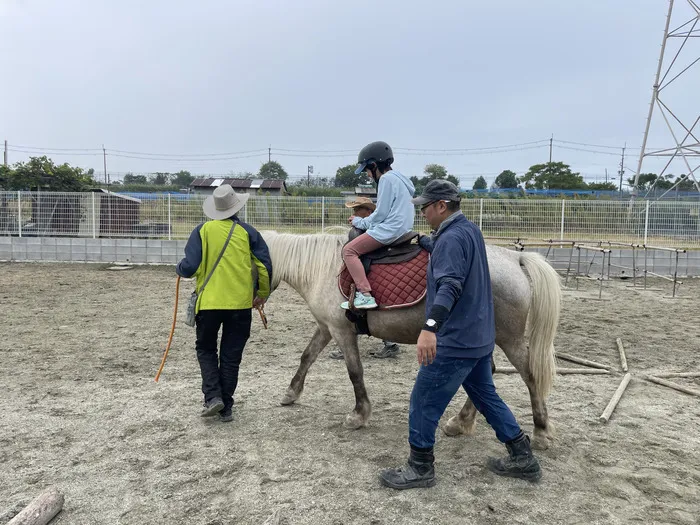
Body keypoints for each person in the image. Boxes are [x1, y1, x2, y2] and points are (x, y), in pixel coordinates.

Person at [379, 179, 541, 489]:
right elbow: (456, 257)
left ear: (441, 206)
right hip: (480, 337)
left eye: (425, 207)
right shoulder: (468, 230)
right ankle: (523, 456)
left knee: (423, 400)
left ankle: (420, 468)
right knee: (486, 396)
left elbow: (450, 286)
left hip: (456, 339)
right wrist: (427, 242)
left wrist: (429, 329)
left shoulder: (452, 239)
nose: (422, 213)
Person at [176, 184, 272, 423]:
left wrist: (178, 267)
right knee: (231, 356)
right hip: (240, 305)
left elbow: (190, 268)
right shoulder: (248, 232)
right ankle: (226, 406)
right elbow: (264, 266)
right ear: (237, 206)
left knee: (206, 349)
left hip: (208, 304)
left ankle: (212, 397)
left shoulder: (202, 230)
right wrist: (261, 293)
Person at [340, 141, 415, 310]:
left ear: (374, 165)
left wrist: (360, 221)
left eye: (367, 169)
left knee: (349, 251)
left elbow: (381, 214)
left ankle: (365, 294)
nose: (367, 174)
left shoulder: (386, 180)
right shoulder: (402, 180)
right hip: (404, 228)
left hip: (389, 230)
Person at [329, 197, 401, 359]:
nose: (353, 213)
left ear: (368, 211)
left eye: (357, 210)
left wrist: (358, 223)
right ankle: (389, 343)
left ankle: (387, 342)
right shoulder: (373, 223)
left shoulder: (372, 224)